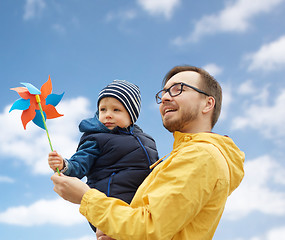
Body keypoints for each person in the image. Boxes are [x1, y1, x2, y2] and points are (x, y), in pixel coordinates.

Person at [51, 65, 245, 240]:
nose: (166, 97)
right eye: (164, 93)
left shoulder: (200, 156)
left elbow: (149, 228)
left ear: (208, 104)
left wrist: (86, 197)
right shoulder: (180, 156)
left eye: (178, 89)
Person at [47, 80, 158, 237]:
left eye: (116, 109)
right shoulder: (96, 138)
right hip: (108, 205)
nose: (108, 115)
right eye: (103, 109)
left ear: (132, 115)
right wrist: (65, 165)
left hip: (141, 207)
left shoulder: (147, 140)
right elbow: (79, 164)